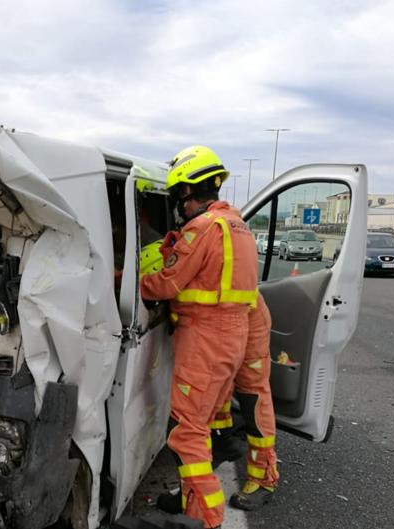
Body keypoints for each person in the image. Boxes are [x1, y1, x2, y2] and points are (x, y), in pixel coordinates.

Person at [139, 145, 258, 529]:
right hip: (231, 335)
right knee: (199, 424)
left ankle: (205, 519)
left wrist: (132, 283)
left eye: (179, 197)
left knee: (186, 431)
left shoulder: (202, 228)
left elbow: (167, 282)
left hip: (206, 338)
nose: (179, 206)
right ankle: (190, 501)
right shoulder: (236, 225)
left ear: (189, 192)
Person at [211, 292, 279, 510]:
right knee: (218, 387)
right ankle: (223, 444)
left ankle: (263, 478)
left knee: (253, 396)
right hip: (222, 319)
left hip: (244, 316)